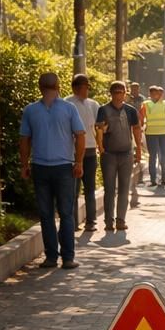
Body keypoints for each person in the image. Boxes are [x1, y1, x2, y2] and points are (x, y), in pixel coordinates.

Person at [18, 72, 85, 269]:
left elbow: (24, 140)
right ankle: (68, 258)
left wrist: (24, 165)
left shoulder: (30, 110)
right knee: (66, 213)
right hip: (64, 168)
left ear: (40, 87)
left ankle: (50, 258)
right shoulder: (69, 108)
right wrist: (79, 162)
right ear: (58, 86)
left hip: (40, 168)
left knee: (46, 214)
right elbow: (80, 135)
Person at [95, 81, 143, 233]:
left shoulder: (130, 110)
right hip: (109, 155)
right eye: (115, 91)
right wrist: (101, 148)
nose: (118, 94)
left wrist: (139, 150)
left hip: (126, 154)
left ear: (125, 93)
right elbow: (99, 130)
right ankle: (109, 221)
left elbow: (136, 129)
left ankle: (121, 220)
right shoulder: (103, 110)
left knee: (124, 189)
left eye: (121, 91)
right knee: (109, 189)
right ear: (111, 93)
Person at [67, 74, 100, 233]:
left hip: (90, 151)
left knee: (90, 188)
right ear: (75, 88)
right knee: (73, 189)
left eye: (87, 87)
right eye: (83, 87)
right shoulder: (67, 103)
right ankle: (73, 222)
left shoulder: (93, 105)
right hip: (72, 152)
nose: (86, 90)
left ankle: (91, 221)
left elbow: (99, 127)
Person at [141, 84, 165, 187]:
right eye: (153, 94)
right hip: (151, 133)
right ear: (150, 94)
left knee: (163, 156)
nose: (156, 95)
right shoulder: (146, 104)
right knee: (153, 157)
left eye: (157, 94)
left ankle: (164, 178)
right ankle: (153, 180)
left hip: (164, 133)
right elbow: (141, 117)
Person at [125, 83, 144, 208]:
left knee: (131, 168)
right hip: (120, 144)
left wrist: (138, 145)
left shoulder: (134, 107)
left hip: (132, 138)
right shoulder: (109, 110)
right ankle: (130, 192)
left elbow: (137, 123)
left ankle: (132, 191)